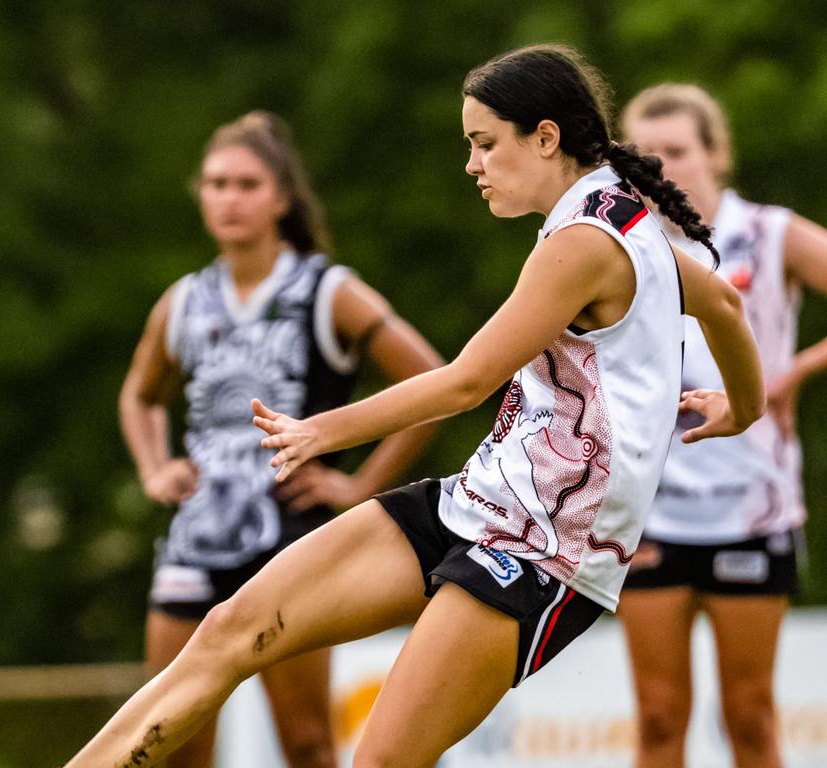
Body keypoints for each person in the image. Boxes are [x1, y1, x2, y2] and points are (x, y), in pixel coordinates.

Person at [65, 45, 765, 768]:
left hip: (540, 556)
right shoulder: (620, 220)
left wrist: (320, 431)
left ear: (547, 137)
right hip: (475, 503)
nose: (472, 164)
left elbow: (465, 381)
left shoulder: (585, 239)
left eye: (484, 143)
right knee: (228, 630)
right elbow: (722, 301)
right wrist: (744, 407)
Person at [119, 110, 444, 768]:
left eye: (246, 183)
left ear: (282, 198)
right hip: (195, 543)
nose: (228, 198)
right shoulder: (184, 301)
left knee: (304, 742)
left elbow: (433, 382)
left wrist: (359, 483)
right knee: (170, 745)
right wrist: (155, 469)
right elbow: (139, 394)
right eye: (215, 184)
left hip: (291, 542)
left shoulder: (327, 291)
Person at [617, 84, 827, 768]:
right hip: (649, 514)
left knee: (749, 716)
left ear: (716, 154)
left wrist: (790, 372)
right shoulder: (615, 244)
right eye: (642, 155)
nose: (659, 167)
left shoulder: (768, 232)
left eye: (676, 151)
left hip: (751, 508)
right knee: (656, 718)